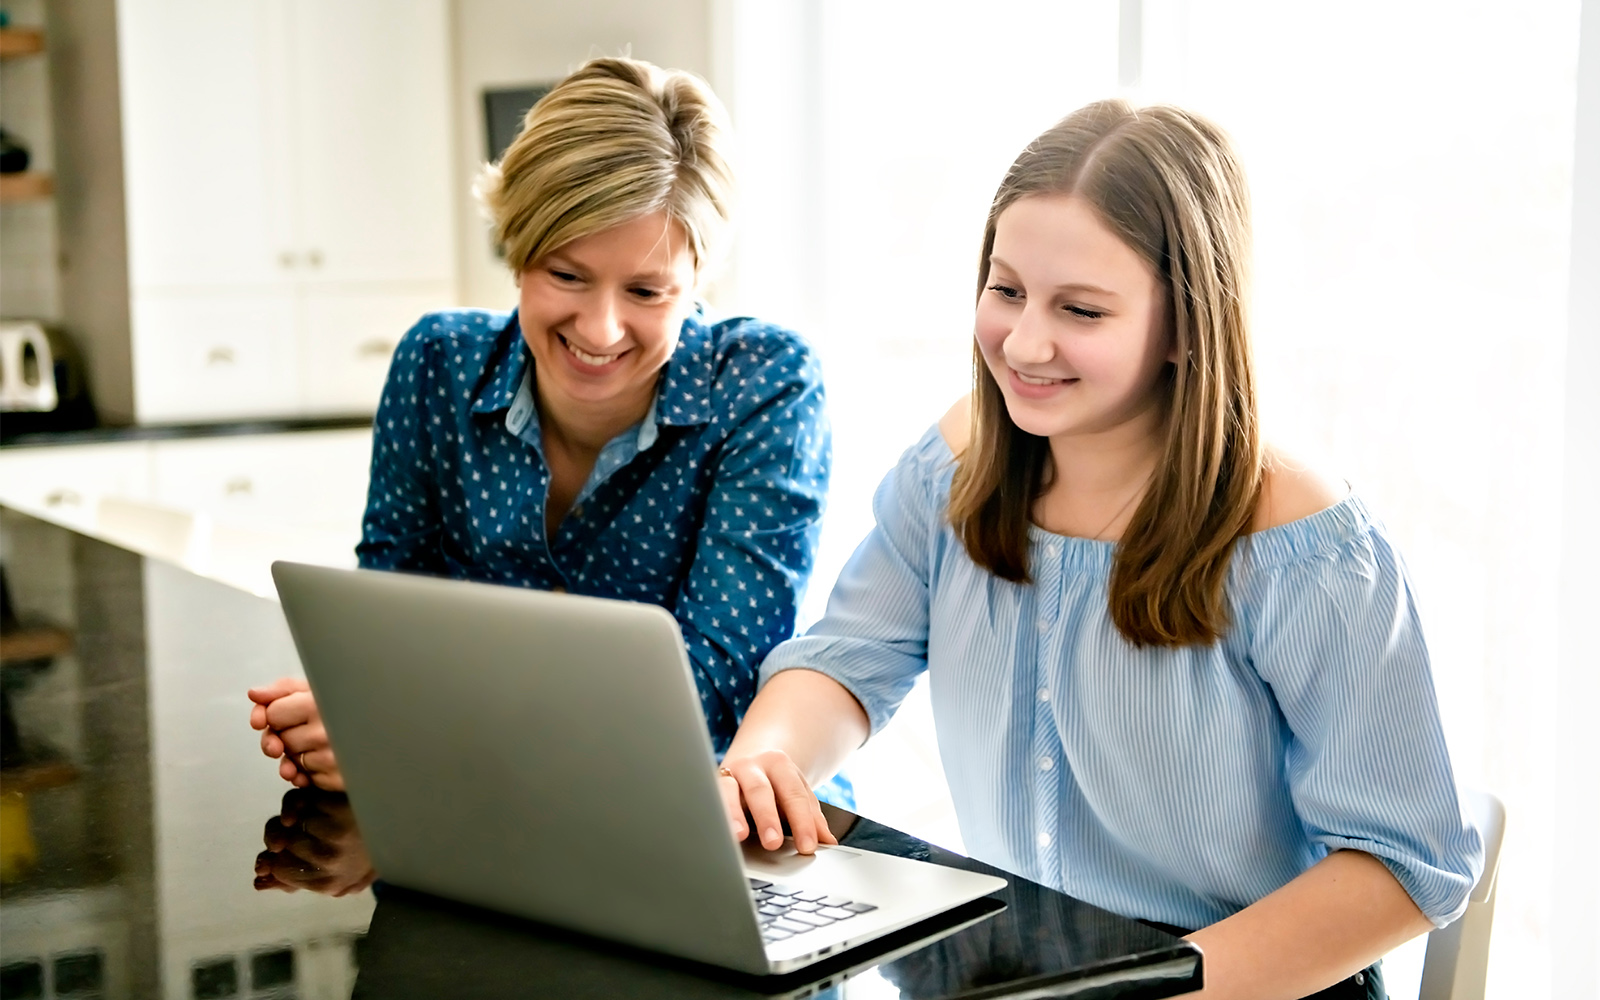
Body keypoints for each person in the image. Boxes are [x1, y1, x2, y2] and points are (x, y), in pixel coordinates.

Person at [715, 101, 1483, 1000]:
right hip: (1023, 966)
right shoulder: (955, 465)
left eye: (1080, 309)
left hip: (1232, 981)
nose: (1024, 342)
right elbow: (851, 656)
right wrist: (765, 755)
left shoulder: (1301, 540)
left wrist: (1152, 993)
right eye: (1006, 291)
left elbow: (1406, 863)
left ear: (1188, 324)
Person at [248, 56, 844, 803]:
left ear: (698, 279)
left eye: (647, 291)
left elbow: (713, 691)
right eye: (566, 275)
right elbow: (387, 634)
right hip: (483, 800)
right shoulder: (437, 363)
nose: (600, 328)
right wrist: (355, 715)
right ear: (517, 248)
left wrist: (407, 727)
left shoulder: (762, 384)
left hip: (695, 808)